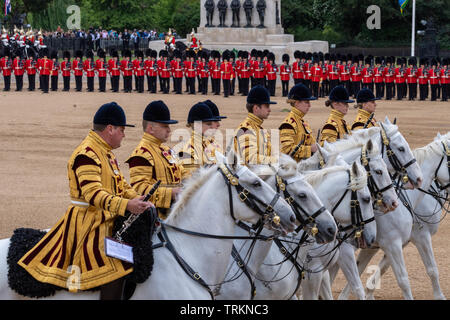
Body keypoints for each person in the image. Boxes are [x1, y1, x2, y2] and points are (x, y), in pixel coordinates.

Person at [18, 102, 153, 300]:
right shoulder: (87, 154)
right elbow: (93, 195)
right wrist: (127, 205)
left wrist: (137, 198)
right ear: (110, 129)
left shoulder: (106, 152)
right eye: (122, 130)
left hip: (105, 216)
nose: (124, 134)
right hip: (87, 223)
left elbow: (121, 185)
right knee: (114, 267)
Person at [126, 100, 186, 219]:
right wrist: (172, 193)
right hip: (155, 220)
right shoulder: (141, 154)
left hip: (173, 216)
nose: (169, 130)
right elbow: (140, 190)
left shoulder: (165, 149)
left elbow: (182, 172)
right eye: (164, 126)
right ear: (150, 128)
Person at [234, 85, 277, 165]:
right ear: (256, 108)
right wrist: (276, 161)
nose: (269, 110)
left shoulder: (258, 128)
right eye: (267, 106)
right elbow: (250, 158)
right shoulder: (246, 129)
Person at [279, 83, 318, 162]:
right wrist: (310, 149)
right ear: (297, 103)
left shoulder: (302, 121)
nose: (309, 105)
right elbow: (288, 150)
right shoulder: (288, 124)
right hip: (291, 169)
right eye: (306, 102)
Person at [178, 102, 219, 176]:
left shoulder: (210, 143)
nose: (212, 127)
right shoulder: (189, 151)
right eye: (208, 124)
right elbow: (192, 183)